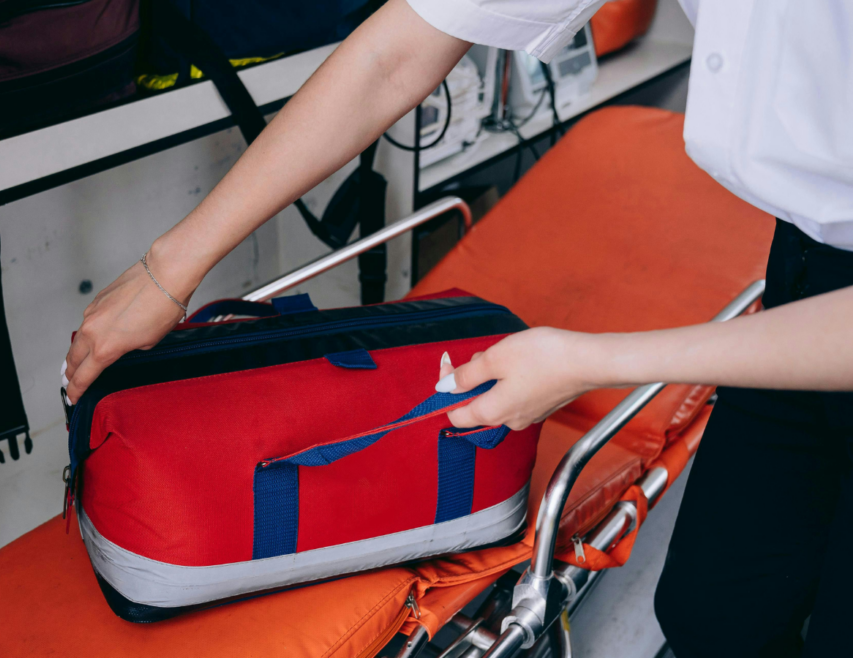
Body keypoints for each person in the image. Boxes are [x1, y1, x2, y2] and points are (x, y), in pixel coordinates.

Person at [63, 1, 852, 654]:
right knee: (712, 618)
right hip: (806, 261)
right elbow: (402, 49)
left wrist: (588, 361)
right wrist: (170, 269)